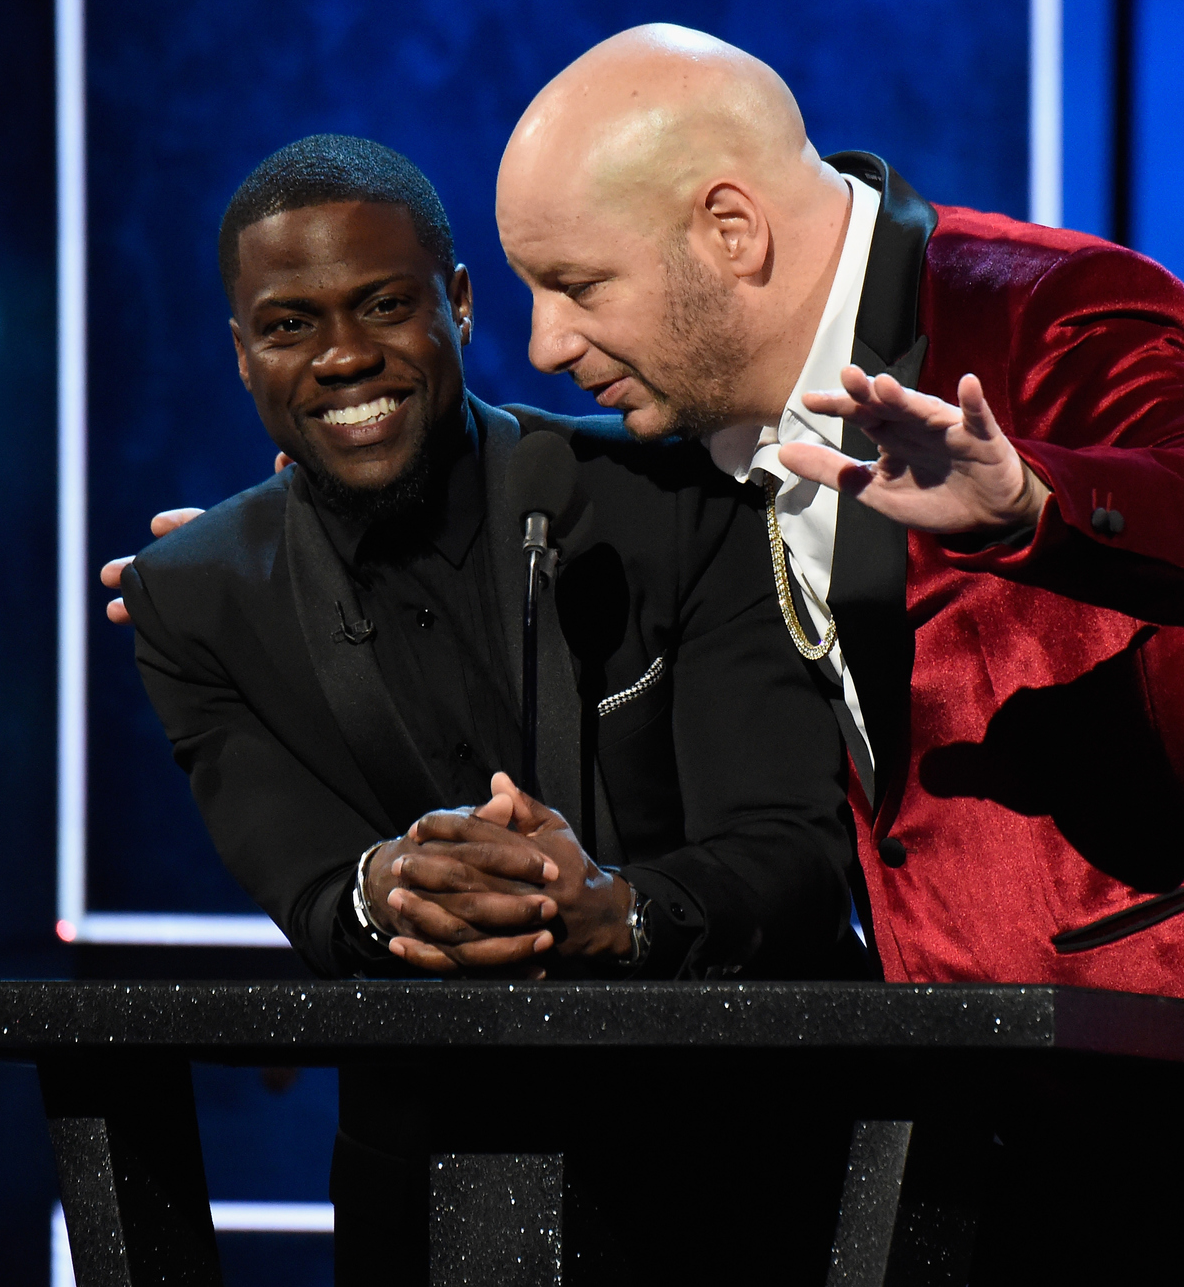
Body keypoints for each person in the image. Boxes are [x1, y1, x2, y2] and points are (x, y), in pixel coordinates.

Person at [485, 25, 1184, 1283]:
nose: (546, 340)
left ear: (731, 231)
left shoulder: (1035, 306)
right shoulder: (707, 424)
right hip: (1035, 1146)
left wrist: (1033, 507)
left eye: (578, 286)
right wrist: (284, 541)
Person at [106, 133, 863, 1282]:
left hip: (746, 1165)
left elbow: (794, 851)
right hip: (425, 1184)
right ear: (240, 351)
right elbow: (314, 888)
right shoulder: (190, 599)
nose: (342, 357)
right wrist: (394, 890)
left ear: (457, 304)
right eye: (289, 324)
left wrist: (615, 909)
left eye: (382, 305)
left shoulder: (676, 501)